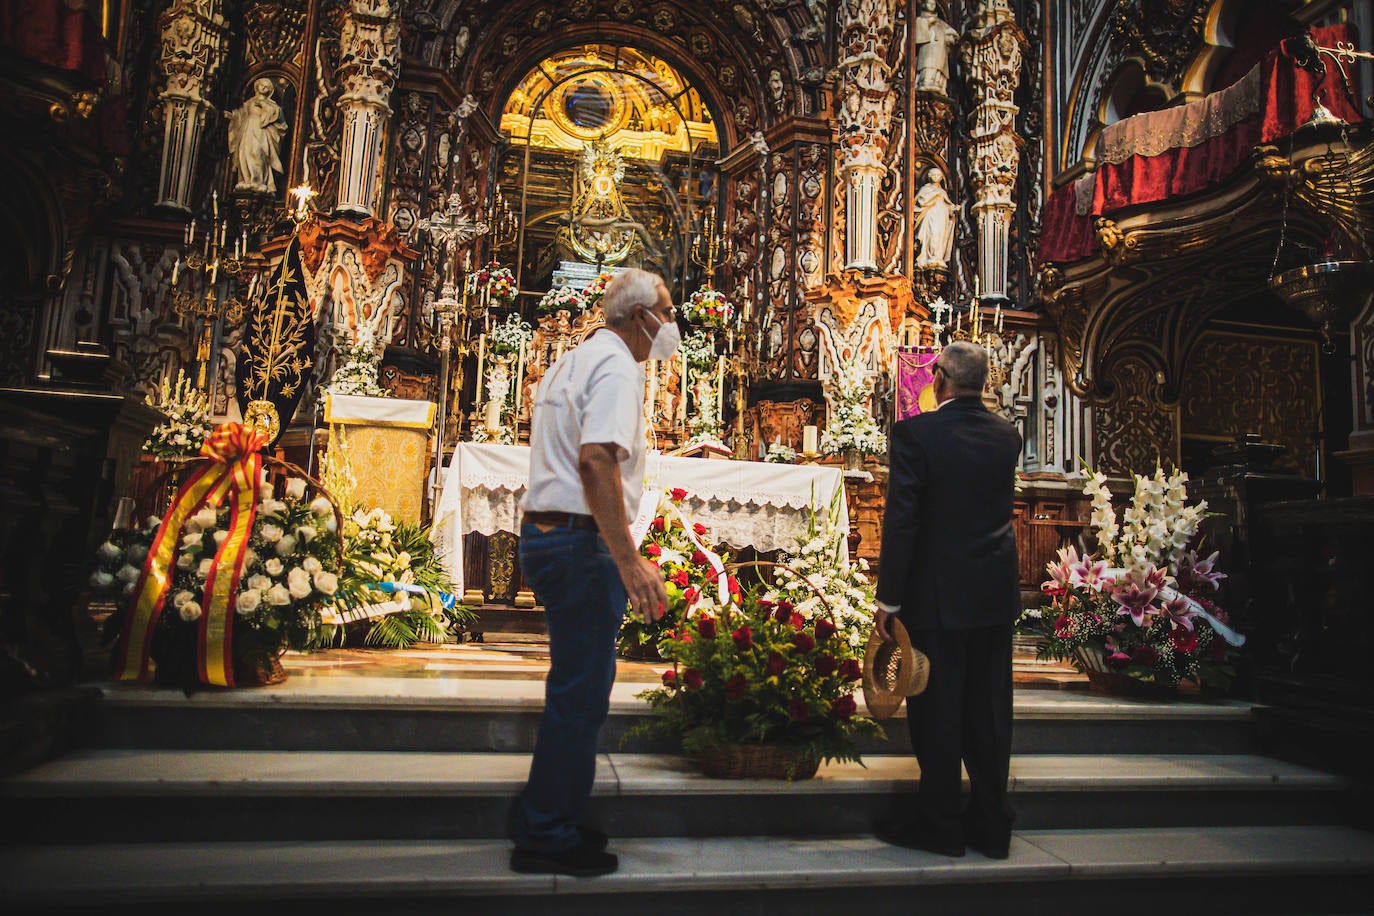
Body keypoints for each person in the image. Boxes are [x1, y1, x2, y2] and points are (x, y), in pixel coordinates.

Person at [508, 268, 674, 877]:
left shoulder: (572, 361)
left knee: (573, 688)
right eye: (666, 309)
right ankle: (546, 833)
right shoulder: (617, 369)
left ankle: (547, 813)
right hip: (580, 543)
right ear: (639, 318)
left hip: (551, 535)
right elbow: (596, 457)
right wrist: (629, 557)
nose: (672, 322)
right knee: (580, 694)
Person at [872, 340, 1023, 860]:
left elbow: (904, 521)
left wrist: (888, 600)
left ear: (938, 378)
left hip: (936, 595)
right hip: (994, 594)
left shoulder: (917, 433)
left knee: (937, 711)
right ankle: (990, 825)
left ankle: (939, 825)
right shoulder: (1008, 436)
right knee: (989, 711)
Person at [227, 78, 287, 194]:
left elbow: (277, 115)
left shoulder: (271, 104)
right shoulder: (249, 103)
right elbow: (241, 115)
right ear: (257, 87)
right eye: (262, 85)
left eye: (267, 87)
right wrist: (233, 116)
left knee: (257, 152)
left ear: (270, 91)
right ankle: (247, 179)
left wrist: (264, 106)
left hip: (260, 131)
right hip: (247, 130)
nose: (264, 88)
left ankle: (258, 180)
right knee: (244, 153)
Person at [914, 166, 958, 270]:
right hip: (929, 215)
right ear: (929, 176)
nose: (935, 177)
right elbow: (919, 202)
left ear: (941, 178)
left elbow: (948, 206)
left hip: (941, 216)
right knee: (931, 234)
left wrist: (953, 209)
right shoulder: (925, 189)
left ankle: (937, 257)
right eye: (933, 175)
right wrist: (933, 197)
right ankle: (925, 257)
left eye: (938, 175)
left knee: (939, 236)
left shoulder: (942, 192)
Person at [914, 0, 960, 95]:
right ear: (924, 4)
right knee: (928, 63)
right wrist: (927, 23)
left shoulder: (940, 21)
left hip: (940, 51)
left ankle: (938, 82)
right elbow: (916, 34)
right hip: (928, 48)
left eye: (933, 4)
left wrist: (951, 36)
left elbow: (952, 32)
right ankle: (925, 81)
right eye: (929, 3)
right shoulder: (921, 19)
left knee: (939, 66)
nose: (931, 5)